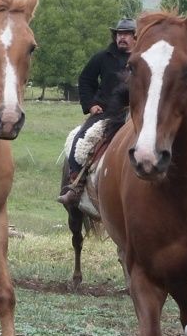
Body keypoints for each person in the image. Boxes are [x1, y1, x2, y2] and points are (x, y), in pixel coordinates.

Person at [57, 18, 136, 206]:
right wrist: (91, 104)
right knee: (81, 140)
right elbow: (85, 79)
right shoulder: (103, 57)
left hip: (135, 112)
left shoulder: (141, 59)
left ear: (136, 37)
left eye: (125, 34)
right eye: (118, 34)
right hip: (106, 111)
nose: (121, 37)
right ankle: (75, 186)